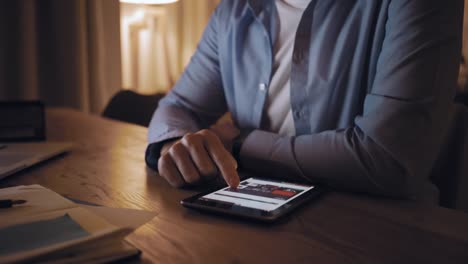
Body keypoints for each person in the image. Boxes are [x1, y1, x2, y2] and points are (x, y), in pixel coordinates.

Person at [145, 0, 463, 203]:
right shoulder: (233, 10)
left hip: (381, 230)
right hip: (253, 212)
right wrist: (174, 145)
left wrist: (240, 145)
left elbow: (389, 160)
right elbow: (178, 107)